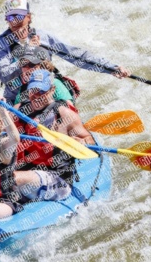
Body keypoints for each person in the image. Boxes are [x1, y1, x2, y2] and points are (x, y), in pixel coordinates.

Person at [0, 0, 131, 104]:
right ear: (6, 19)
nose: (15, 21)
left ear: (29, 17)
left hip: (47, 87)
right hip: (17, 94)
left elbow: (75, 56)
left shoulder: (44, 37)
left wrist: (111, 68)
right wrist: (29, 52)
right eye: (10, 17)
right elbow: (4, 75)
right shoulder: (0, 44)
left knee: (67, 107)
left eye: (19, 16)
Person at [12, 70, 96, 203]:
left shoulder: (64, 114)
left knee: (10, 179)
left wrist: (81, 141)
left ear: (52, 89)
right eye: (32, 90)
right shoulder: (19, 109)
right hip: (25, 170)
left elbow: (90, 141)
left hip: (57, 178)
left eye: (41, 91)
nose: (35, 95)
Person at [13, 46, 76, 111]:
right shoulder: (23, 88)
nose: (26, 69)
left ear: (42, 66)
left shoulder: (54, 83)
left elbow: (71, 111)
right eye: (23, 65)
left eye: (32, 65)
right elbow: (14, 113)